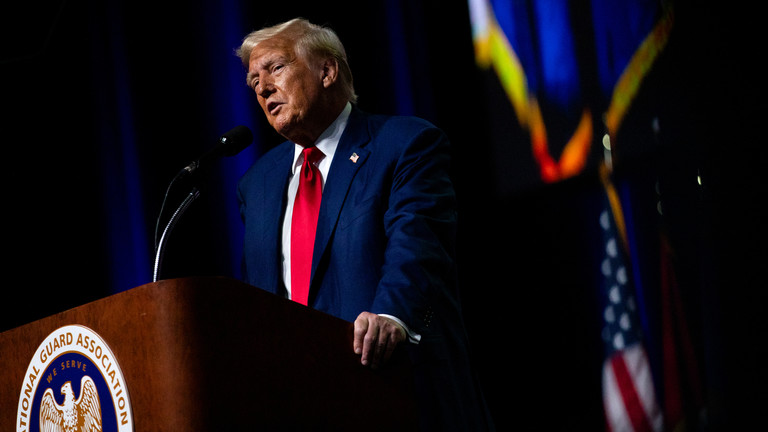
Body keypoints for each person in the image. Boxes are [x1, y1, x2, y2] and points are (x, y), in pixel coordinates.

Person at [235, 18, 494, 431]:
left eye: (276, 68)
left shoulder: (405, 144)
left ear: (327, 71)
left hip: (393, 389)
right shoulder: (258, 184)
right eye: (253, 81)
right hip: (299, 407)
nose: (262, 87)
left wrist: (392, 316)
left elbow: (418, 249)